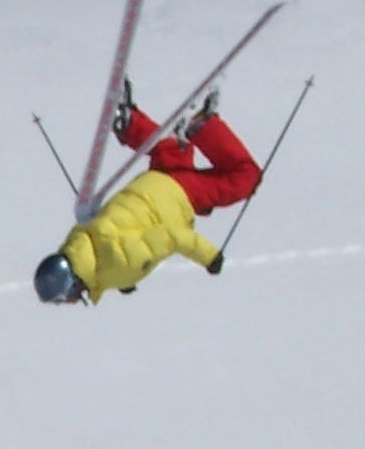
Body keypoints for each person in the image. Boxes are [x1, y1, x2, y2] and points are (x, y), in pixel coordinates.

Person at [34, 91, 263, 305]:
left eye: (65, 298)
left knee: (245, 178)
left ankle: (204, 126)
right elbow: (115, 243)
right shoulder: (76, 242)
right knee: (172, 150)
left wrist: (210, 258)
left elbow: (170, 237)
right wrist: (125, 281)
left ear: (72, 285)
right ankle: (132, 123)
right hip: (150, 185)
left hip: (176, 195)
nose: (70, 302)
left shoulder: (120, 267)